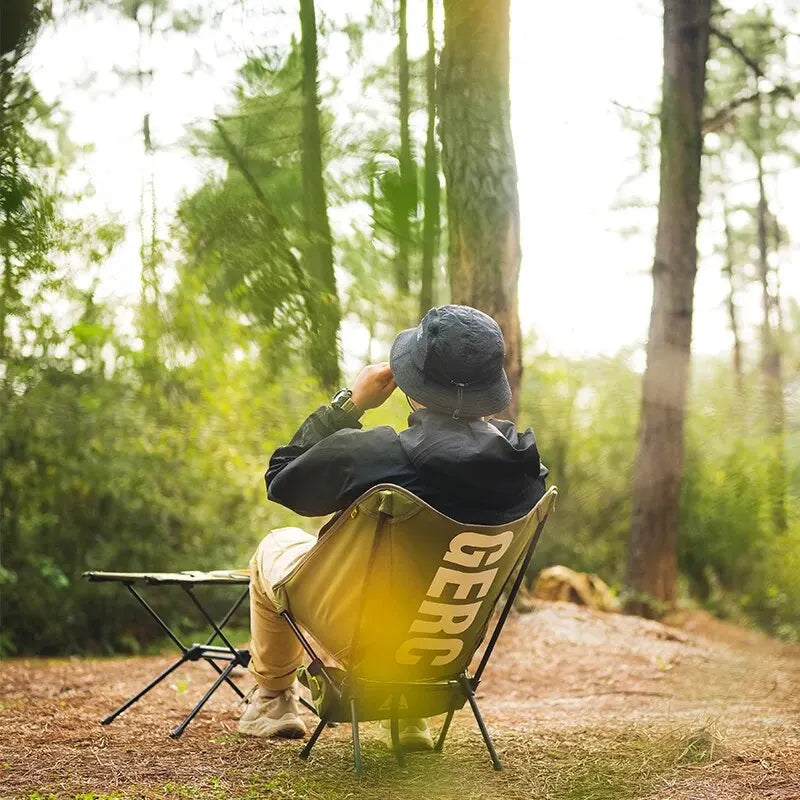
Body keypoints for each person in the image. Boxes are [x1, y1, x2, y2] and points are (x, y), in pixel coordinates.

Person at [238, 304, 547, 748]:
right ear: (490, 386)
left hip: (368, 629)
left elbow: (282, 480)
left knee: (277, 543)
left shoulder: (376, 458)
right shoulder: (527, 470)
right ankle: (407, 713)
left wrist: (351, 403)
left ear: (411, 383)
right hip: (446, 640)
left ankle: (272, 700)